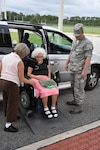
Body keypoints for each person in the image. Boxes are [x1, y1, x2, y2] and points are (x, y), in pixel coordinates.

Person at [0, 43, 34, 132]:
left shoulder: (6, 57)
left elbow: (0, 69)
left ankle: (10, 115)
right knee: (13, 103)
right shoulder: (19, 62)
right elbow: (22, 79)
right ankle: (8, 125)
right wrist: (31, 82)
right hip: (12, 83)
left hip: (3, 81)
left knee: (6, 100)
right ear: (23, 53)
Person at [65, 23, 93, 114]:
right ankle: (75, 101)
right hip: (73, 68)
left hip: (80, 70)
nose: (76, 37)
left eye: (78, 35)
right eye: (75, 35)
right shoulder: (75, 41)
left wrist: (84, 71)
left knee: (79, 88)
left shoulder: (87, 43)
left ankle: (79, 106)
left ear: (82, 33)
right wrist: (67, 62)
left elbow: (88, 58)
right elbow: (71, 53)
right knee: (73, 86)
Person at [27, 47, 59, 119]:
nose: (39, 58)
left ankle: (53, 107)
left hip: (45, 77)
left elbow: (48, 70)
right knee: (44, 91)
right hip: (35, 78)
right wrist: (37, 77)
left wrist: (49, 77)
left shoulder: (45, 61)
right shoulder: (32, 62)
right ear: (35, 56)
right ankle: (45, 108)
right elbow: (29, 74)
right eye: (38, 57)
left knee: (55, 89)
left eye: (41, 57)